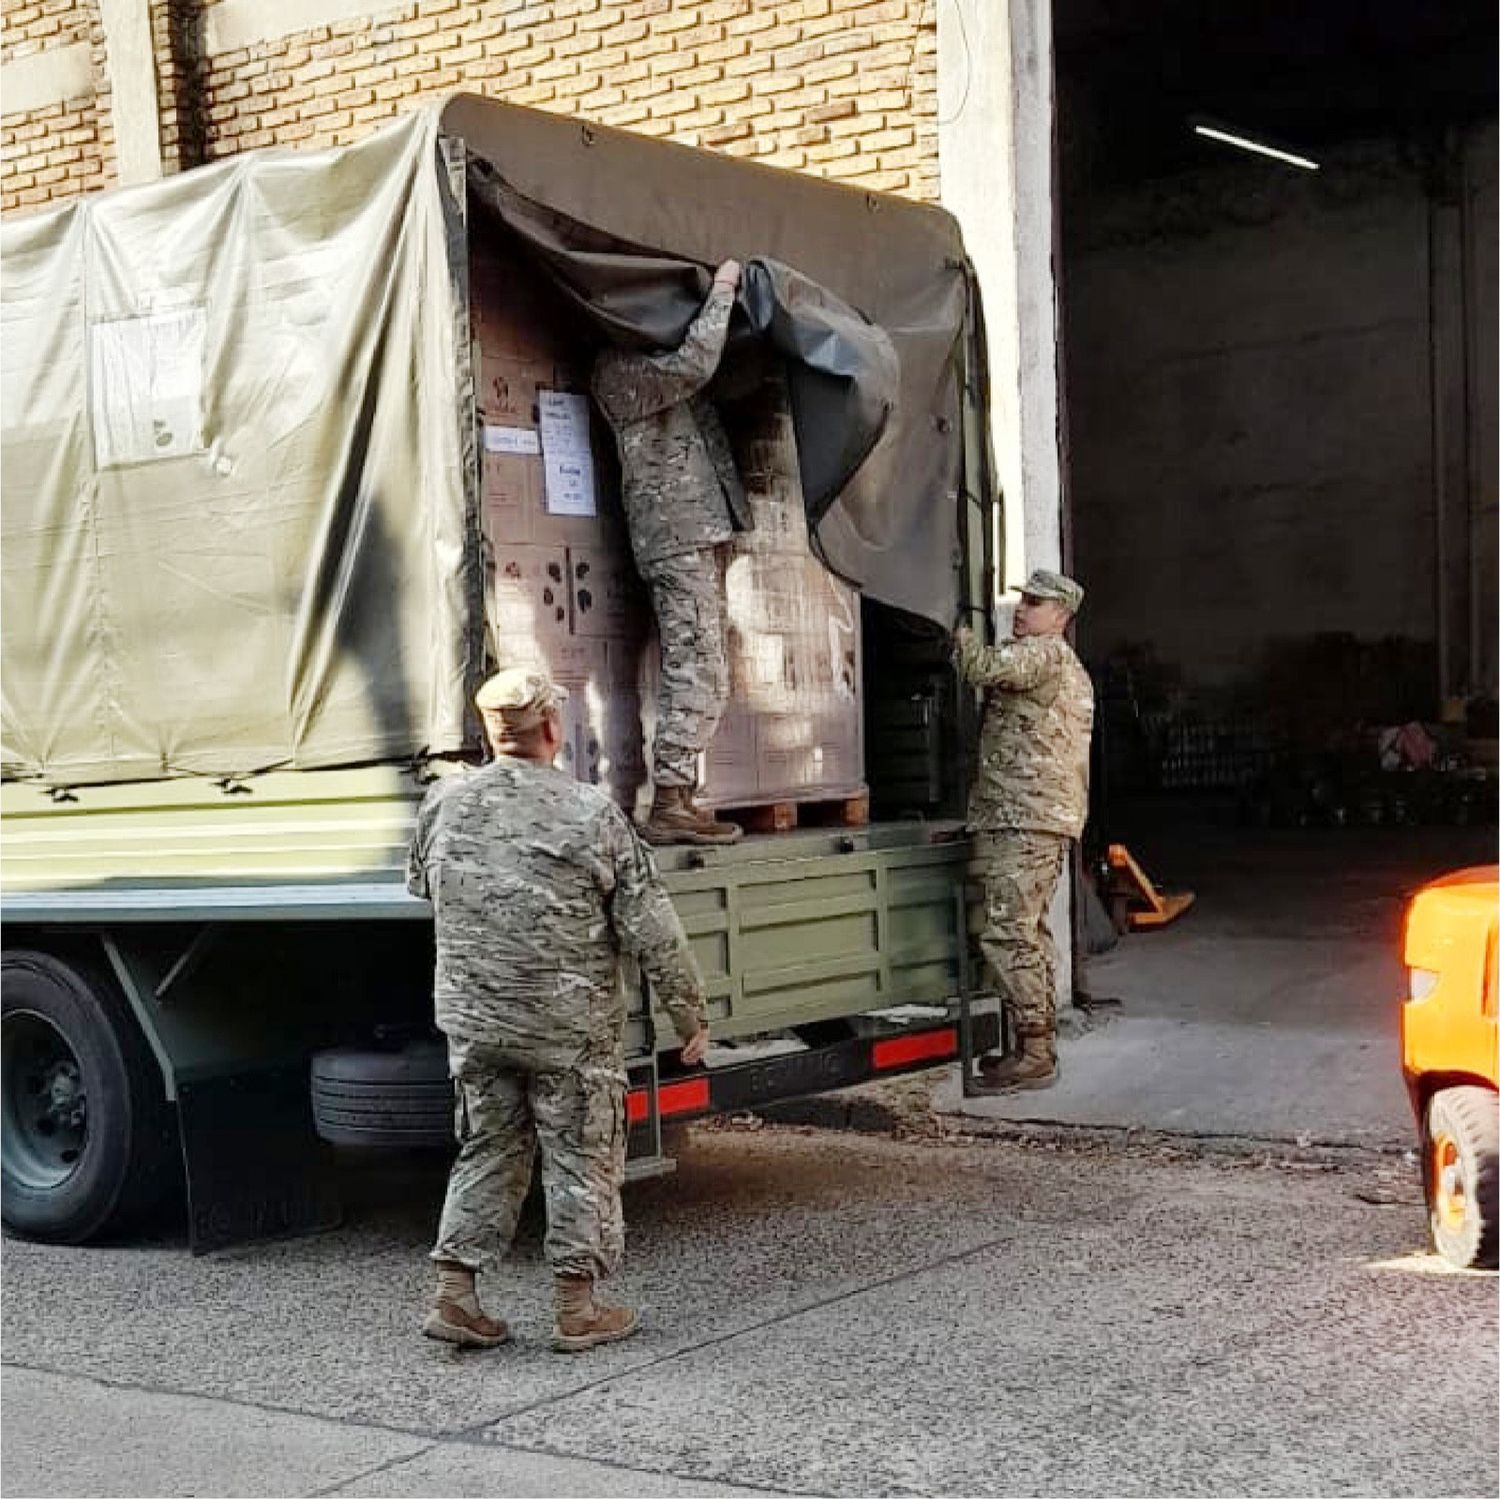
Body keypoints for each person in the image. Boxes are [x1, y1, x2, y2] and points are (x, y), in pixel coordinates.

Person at [407, 666, 709, 1352]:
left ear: (491, 733)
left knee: (487, 1147)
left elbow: (421, 884)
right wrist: (689, 1015)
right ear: (551, 730)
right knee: (581, 1156)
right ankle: (578, 1308)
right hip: (567, 1028)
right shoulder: (589, 811)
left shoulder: (442, 805)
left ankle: (457, 1293)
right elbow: (650, 925)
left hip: (476, 1021)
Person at [592, 259, 751, 847]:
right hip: (674, 535)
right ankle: (671, 802)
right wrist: (724, 291)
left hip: (697, 531)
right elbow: (696, 363)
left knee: (707, 661)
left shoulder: (642, 366)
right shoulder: (620, 372)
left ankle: (680, 796)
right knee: (696, 662)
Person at [954, 569, 1094, 1092]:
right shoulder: (1057, 660)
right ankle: (1033, 1045)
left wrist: (954, 628)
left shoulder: (1043, 653)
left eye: (1034, 603)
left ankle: (1036, 1052)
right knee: (1026, 931)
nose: (1022, 610)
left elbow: (980, 665)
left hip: (1026, 816)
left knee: (1009, 930)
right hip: (1030, 817)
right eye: (1022, 600)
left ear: (1059, 616)